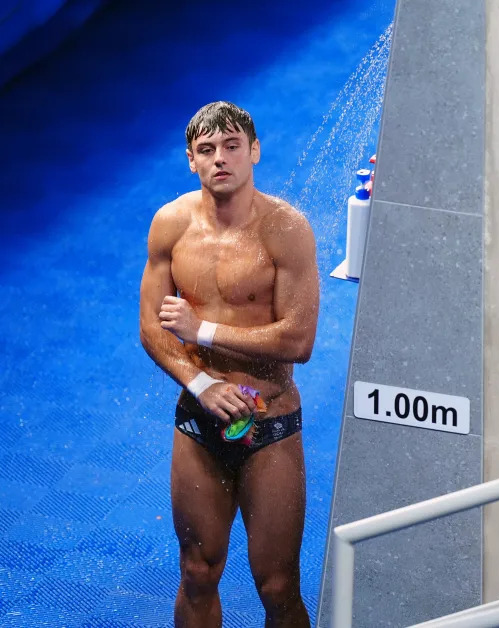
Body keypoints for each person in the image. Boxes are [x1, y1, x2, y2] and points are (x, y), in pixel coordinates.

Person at [139, 101, 319, 627]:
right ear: (191, 161)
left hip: (271, 423)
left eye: (232, 146)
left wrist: (204, 331)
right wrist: (199, 381)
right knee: (197, 571)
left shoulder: (285, 229)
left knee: (278, 584)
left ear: (254, 151)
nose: (221, 158)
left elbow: (299, 339)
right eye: (207, 150)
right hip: (199, 422)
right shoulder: (170, 225)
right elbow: (150, 326)